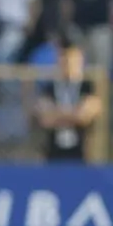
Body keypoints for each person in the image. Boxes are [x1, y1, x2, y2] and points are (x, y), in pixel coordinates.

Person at [34, 35, 103, 163]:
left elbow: (85, 116)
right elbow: (45, 119)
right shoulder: (49, 88)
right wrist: (74, 113)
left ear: (80, 59)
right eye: (63, 58)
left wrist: (57, 113)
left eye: (72, 58)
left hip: (82, 157)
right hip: (53, 157)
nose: (67, 63)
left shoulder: (88, 87)